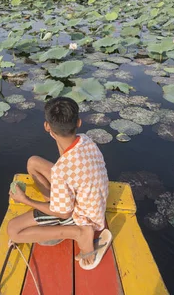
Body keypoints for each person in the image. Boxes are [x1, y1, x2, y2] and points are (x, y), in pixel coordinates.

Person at [7, 96, 110, 268]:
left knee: (13, 230)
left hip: (82, 216)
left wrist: (26, 201)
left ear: (47, 126)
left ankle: (78, 233)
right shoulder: (86, 140)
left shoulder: (62, 171)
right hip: (95, 200)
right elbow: (65, 160)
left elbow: (64, 213)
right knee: (33, 162)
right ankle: (55, 201)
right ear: (78, 122)